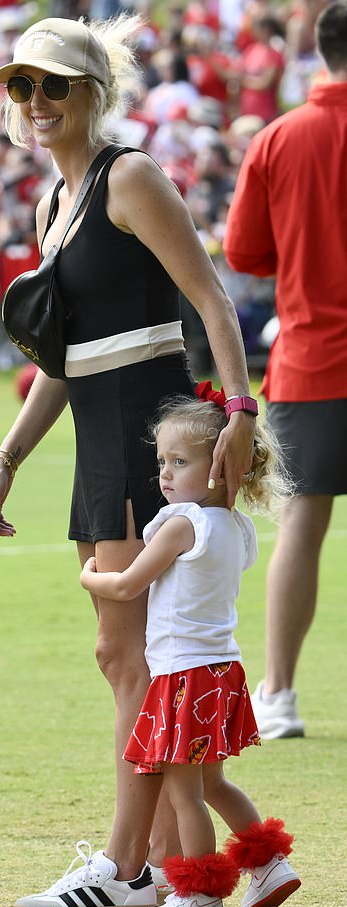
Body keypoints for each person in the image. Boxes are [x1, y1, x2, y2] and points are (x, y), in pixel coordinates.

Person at [0, 15, 257, 907]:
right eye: (22, 86)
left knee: (136, 659)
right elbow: (63, 364)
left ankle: (129, 862)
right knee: (123, 654)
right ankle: (187, 862)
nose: (36, 102)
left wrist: (242, 413)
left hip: (152, 433)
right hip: (98, 431)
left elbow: (212, 301)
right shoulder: (47, 205)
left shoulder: (128, 175)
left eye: (54, 84)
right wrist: (5, 459)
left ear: (94, 90)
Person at [75, 392, 300, 907]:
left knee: (185, 794)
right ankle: (268, 862)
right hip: (222, 670)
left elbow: (129, 584)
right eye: (161, 462)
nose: (165, 474)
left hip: (184, 677)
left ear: (222, 467)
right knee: (213, 784)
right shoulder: (238, 529)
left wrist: (89, 574)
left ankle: (200, 894)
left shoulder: (182, 524)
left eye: (180, 461)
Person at [223, 0, 347, 740]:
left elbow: (244, 254)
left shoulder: (279, 135)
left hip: (312, 355)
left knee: (302, 525)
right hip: (312, 353)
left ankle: (281, 694)